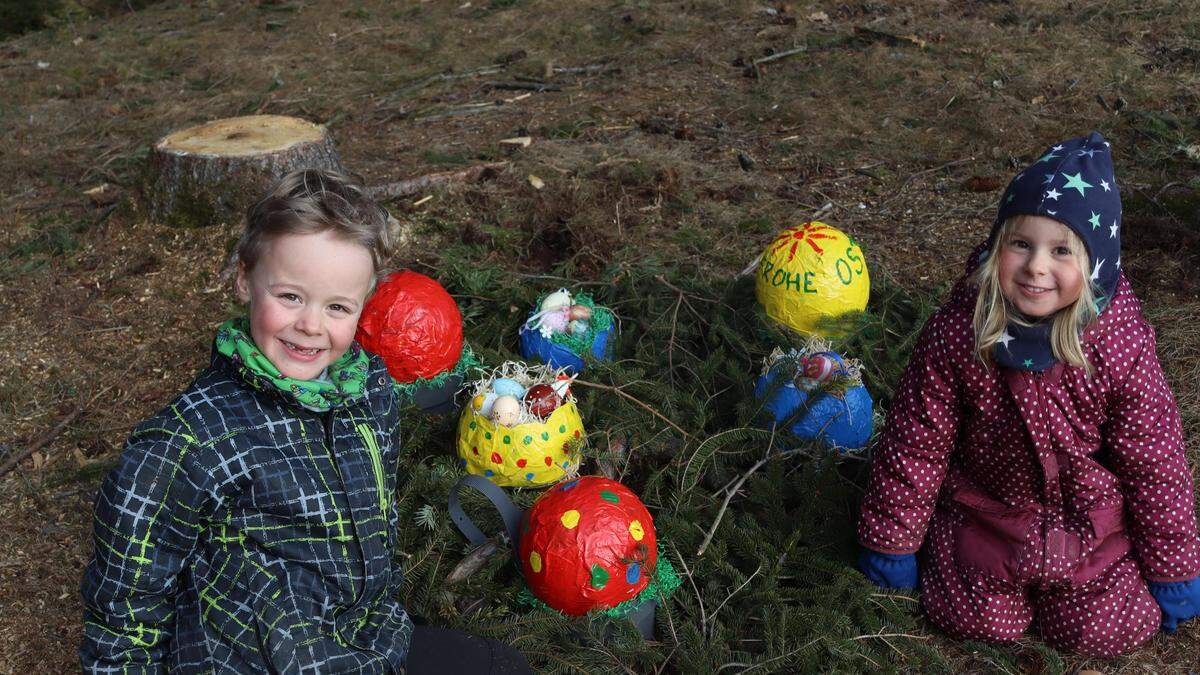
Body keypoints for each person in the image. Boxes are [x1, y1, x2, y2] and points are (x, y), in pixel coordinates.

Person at [80, 169, 530, 673]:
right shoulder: (186, 439)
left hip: (367, 641)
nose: (311, 325)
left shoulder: (369, 391)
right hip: (255, 663)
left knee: (501, 666)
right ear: (243, 277)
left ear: (362, 308)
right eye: (290, 296)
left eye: (337, 306)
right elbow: (125, 606)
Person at [857, 132, 1200, 657]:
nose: (1037, 266)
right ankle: (955, 560)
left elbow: (1153, 459)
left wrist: (1174, 570)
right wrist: (891, 542)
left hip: (1089, 525)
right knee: (979, 623)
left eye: (1062, 251)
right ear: (998, 247)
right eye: (1021, 244)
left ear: (1095, 265)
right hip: (987, 512)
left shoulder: (1120, 346)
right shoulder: (960, 333)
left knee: (1104, 632)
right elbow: (916, 441)